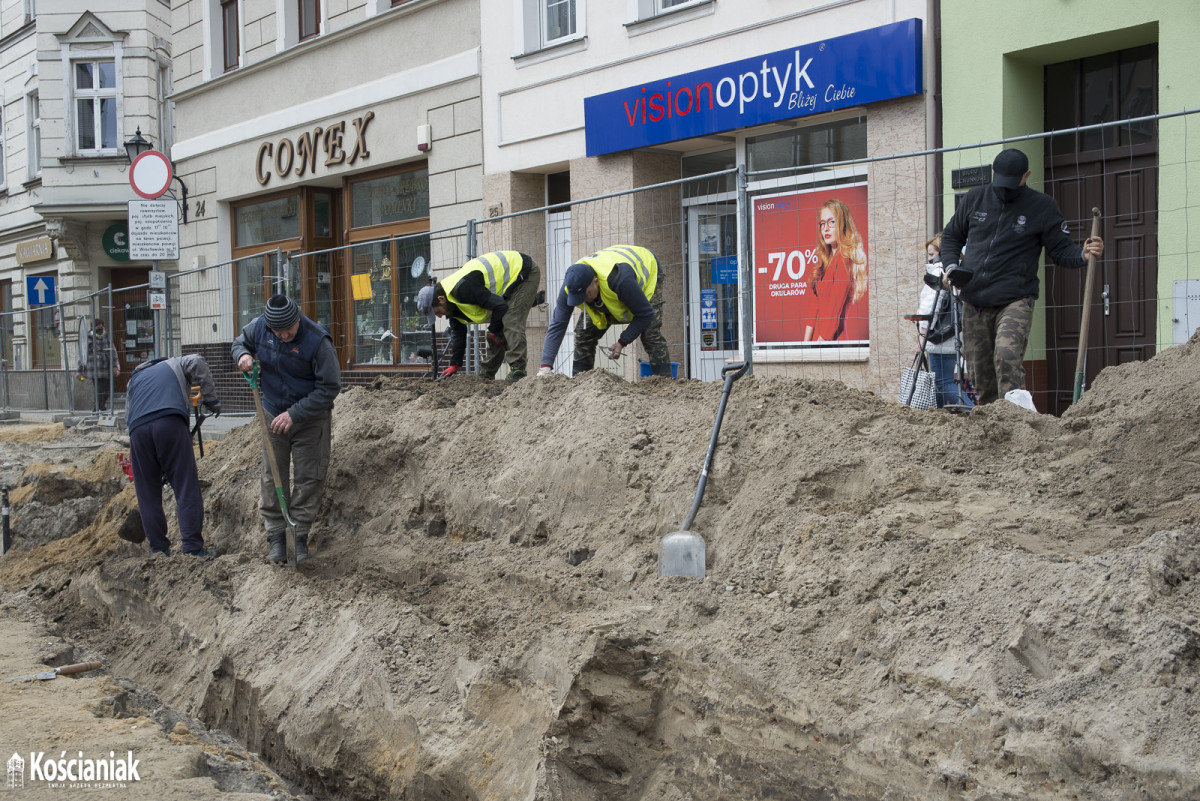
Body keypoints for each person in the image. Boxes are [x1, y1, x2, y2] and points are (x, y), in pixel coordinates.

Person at [939, 147, 1104, 405]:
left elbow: (1061, 251)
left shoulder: (1043, 207)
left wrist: (1082, 254)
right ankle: (991, 429)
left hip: (1015, 299)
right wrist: (949, 266)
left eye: (1012, 183)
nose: (1004, 189)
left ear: (1026, 176)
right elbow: (951, 237)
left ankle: (1016, 423)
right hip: (975, 301)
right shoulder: (974, 198)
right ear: (994, 172)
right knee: (981, 376)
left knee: (1006, 357)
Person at [232, 294, 341, 564]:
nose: (283, 336)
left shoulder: (317, 341)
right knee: (273, 476)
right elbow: (239, 342)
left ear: (297, 319)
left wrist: (295, 414)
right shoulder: (260, 327)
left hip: (310, 418)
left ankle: (299, 537)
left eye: (289, 331)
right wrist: (243, 355)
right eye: (277, 332)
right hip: (272, 411)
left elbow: (329, 388)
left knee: (309, 476)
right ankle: (277, 537)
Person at [125, 354, 221, 558]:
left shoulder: (133, 380)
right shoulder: (176, 362)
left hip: (137, 433)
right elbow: (197, 362)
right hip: (169, 422)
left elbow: (128, 416)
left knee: (147, 494)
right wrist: (211, 399)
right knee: (185, 484)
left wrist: (152, 458)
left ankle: (159, 550)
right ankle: (193, 547)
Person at [537, 244, 672, 377]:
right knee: (584, 334)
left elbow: (645, 314)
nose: (582, 300)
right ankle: (579, 386)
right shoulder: (572, 286)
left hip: (646, 266)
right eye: (577, 297)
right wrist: (545, 367)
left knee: (650, 334)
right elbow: (558, 325)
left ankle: (665, 386)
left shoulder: (620, 279)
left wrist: (621, 342)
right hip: (608, 286)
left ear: (595, 281)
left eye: (585, 294)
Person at [416, 251, 541, 381]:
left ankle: (518, 371)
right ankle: (486, 375)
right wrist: (455, 364)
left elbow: (500, 307)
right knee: (496, 330)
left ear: (441, 299)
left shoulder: (463, 289)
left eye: (437, 312)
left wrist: (493, 330)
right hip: (505, 291)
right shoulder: (451, 304)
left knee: (509, 320)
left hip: (523, 271)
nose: (440, 316)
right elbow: (459, 334)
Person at [916, 235, 973, 408]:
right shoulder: (957, 270)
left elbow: (929, 307)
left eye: (932, 254)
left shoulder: (937, 270)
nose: (929, 259)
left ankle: (975, 412)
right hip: (954, 332)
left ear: (941, 253)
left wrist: (923, 334)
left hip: (938, 336)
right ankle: (937, 417)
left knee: (943, 382)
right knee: (939, 384)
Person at [805, 198, 868, 342]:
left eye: (831, 222)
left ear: (842, 223)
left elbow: (835, 309)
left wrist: (821, 342)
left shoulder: (845, 260)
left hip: (831, 341)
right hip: (817, 341)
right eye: (822, 224)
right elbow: (814, 306)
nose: (825, 228)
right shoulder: (826, 262)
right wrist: (805, 344)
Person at [78, 319, 120, 411]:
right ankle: (97, 408)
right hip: (94, 367)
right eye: (97, 327)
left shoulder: (106, 336)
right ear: (93, 327)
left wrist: (115, 366)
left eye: (101, 326)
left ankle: (101, 406)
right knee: (99, 388)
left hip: (106, 366)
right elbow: (82, 354)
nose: (100, 328)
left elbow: (112, 351)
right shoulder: (88, 337)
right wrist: (79, 370)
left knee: (106, 389)